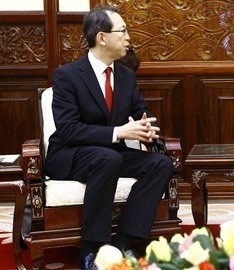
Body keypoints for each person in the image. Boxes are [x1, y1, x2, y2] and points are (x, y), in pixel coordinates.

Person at [44, 5, 173, 270]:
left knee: (160, 164)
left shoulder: (125, 75)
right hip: (71, 153)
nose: (128, 37)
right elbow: (68, 129)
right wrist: (118, 133)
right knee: (108, 158)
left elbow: (140, 111)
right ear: (101, 37)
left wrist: (147, 127)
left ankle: (123, 242)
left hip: (110, 153)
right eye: (123, 31)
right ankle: (92, 248)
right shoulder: (68, 76)